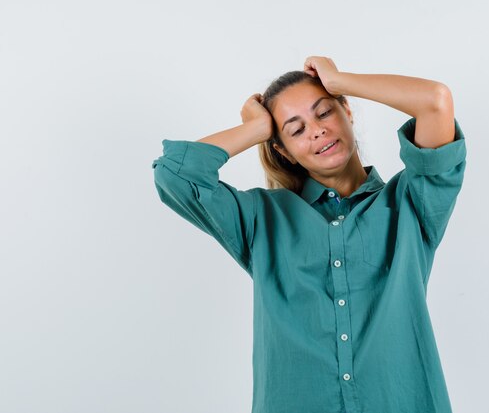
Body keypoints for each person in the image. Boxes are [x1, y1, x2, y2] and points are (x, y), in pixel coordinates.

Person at [151, 56, 467, 413]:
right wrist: (257, 128)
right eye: (296, 129)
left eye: (324, 113)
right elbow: (173, 175)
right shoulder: (260, 219)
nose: (316, 131)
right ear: (282, 150)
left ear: (347, 111)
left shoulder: (412, 202)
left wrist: (341, 81)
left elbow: (436, 102)